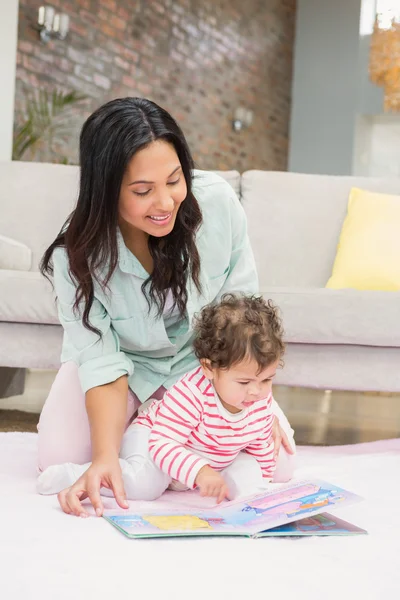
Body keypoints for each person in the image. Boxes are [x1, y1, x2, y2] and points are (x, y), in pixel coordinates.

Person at [38, 96, 295, 518]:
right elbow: (100, 357)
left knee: (280, 464)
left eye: (174, 180)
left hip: (205, 364)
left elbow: (242, 317)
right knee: (57, 456)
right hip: (124, 368)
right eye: (143, 190)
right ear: (106, 190)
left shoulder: (216, 204)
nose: (165, 202)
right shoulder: (76, 255)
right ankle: (158, 443)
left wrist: (256, 405)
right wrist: (105, 457)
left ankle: (170, 448)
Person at [38, 294, 294, 507]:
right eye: (245, 382)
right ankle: (71, 475)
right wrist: (200, 471)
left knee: (249, 470)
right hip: (156, 440)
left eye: (267, 380)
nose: (257, 392)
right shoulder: (191, 394)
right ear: (209, 368)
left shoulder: (259, 398)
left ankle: (255, 500)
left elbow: (260, 441)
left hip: (209, 454)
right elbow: (163, 446)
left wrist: (263, 476)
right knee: (146, 483)